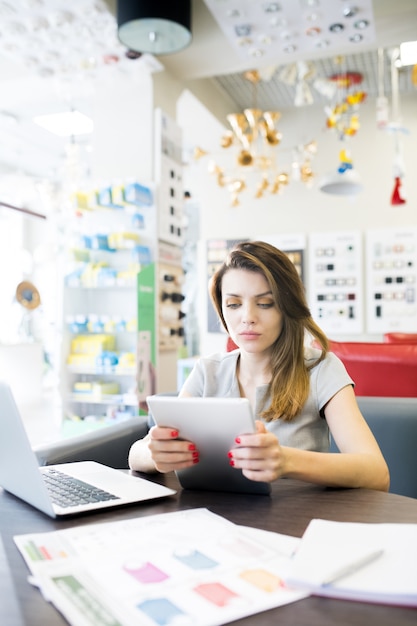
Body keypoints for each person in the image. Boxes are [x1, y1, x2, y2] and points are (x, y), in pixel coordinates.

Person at [129, 240, 390, 492]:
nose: (248, 318)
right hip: (214, 517)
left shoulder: (322, 368)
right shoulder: (207, 371)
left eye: (265, 303)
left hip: (296, 520)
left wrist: (287, 461)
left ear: (287, 307)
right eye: (233, 304)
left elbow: (376, 473)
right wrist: (153, 454)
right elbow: (135, 455)